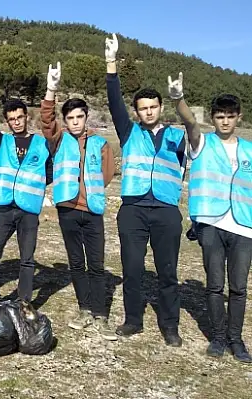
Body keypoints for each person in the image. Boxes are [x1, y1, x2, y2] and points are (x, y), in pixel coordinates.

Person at [105, 34, 186, 346]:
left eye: (153, 107)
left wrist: (182, 101)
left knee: (167, 272)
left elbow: (193, 134)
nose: (148, 112)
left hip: (166, 210)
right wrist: (111, 64)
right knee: (133, 269)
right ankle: (133, 320)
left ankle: (170, 326)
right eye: (143, 108)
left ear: (160, 107)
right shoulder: (128, 132)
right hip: (134, 209)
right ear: (137, 112)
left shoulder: (177, 136)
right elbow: (114, 102)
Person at [172, 74, 252, 362]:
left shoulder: (250, 150)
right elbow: (190, 123)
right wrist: (177, 99)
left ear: (238, 118)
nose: (225, 121)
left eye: (230, 116)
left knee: (239, 287)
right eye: (220, 116)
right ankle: (218, 338)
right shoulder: (202, 143)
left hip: (244, 226)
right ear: (214, 119)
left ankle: (237, 340)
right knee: (215, 284)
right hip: (211, 224)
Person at [41, 62, 117, 340]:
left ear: (87, 117)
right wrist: (51, 88)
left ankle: (101, 315)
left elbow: (108, 173)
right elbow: (47, 121)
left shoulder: (100, 144)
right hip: (68, 210)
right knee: (76, 263)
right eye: (70, 118)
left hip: (93, 210)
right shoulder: (59, 140)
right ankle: (85, 309)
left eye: (79, 117)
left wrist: (92, 189)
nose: (75, 122)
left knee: (96, 265)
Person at [0, 79, 53, 300]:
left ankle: (24, 302)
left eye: (20, 117)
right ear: (7, 122)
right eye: (12, 119)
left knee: (27, 259)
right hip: (5, 208)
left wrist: (33, 185)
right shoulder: (2, 141)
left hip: (29, 209)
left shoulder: (42, 144)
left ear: (26, 116)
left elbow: (49, 172)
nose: (16, 122)